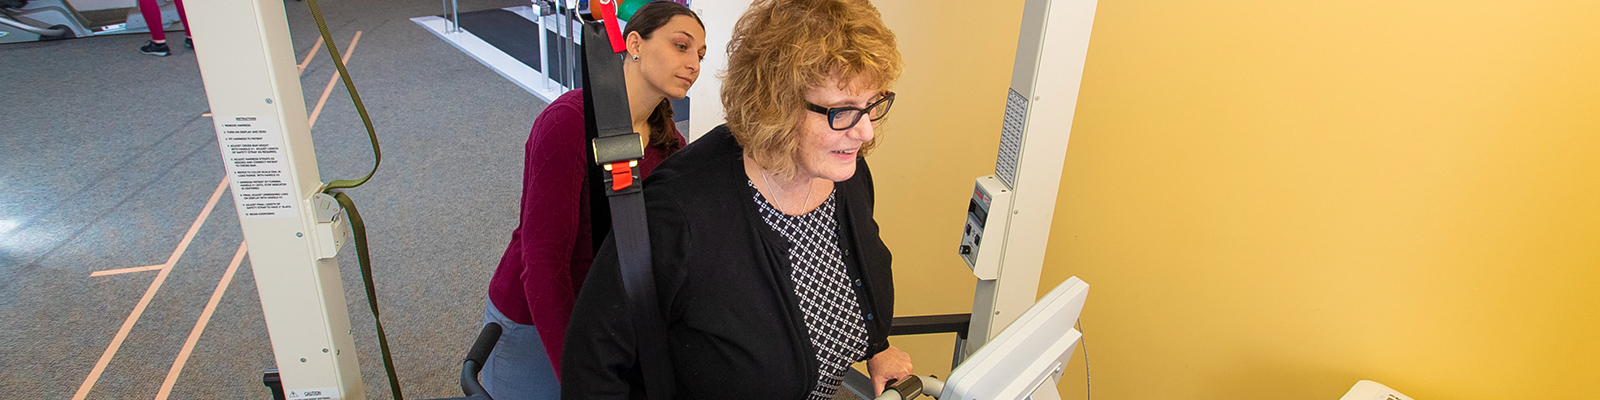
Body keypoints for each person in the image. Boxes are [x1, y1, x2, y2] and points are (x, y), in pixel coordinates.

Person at [561, 0, 913, 398]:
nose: (865, 133)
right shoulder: (677, 213)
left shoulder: (844, 175)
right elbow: (590, 367)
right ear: (773, 104)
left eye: (872, 105)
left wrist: (875, 345)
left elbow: (852, 284)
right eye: (843, 111)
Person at [481, 2, 706, 399]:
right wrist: (578, 373)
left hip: (604, 315)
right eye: (681, 46)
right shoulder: (568, 122)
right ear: (634, 43)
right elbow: (544, 264)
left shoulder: (666, 140)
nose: (694, 64)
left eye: (700, 55)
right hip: (538, 319)